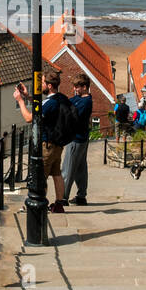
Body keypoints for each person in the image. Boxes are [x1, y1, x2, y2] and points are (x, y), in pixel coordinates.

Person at [13, 74, 69, 213]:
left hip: (47, 145)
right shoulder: (61, 98)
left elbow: (28, 118)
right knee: (57, 174)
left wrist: (20, 101)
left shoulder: (50, 103)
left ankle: (36, 204)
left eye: (42, 82)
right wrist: (28, 97)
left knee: (40, 176)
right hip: (58, 144)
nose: (41, 85)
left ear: (49, 86)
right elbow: (42, 109)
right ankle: (59, 204)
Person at [63, 77, 93, 206]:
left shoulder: (85, 102)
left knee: (68, 169)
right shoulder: (80, 99)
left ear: (84, 87)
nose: (74, 89)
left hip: (75, 139)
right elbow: (68, 102)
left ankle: (62, 198)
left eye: (77, 87)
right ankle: (81, 196)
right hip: (83, 138)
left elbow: (72, 116)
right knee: (80, 168)